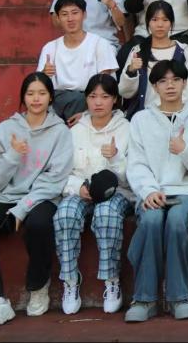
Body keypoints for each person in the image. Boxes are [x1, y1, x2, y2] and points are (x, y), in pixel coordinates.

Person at [0, 72, 73, 327]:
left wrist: (22, 209)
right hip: (4, 194)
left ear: (51, 97)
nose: (36, 99)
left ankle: (38, 286)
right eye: (30, 93)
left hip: (41, 196)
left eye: (42, 93)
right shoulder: (6, 129)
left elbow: (55, 179)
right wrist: (13, 155)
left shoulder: (60, 132)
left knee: (39, 224)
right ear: (23, 98)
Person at [124, 60, 188, 322]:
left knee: (177, 221)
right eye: (163, 81)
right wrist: (148, 191)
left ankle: (179, 297)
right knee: (151, 220)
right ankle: (145, 299)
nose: (170, 86)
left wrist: (184, 150)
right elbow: (136, 163)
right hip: (152, 190)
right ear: (154, 87)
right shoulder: (141, 119)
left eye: (176, 80)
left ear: (185, 83)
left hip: (187, 189)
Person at [53, 74, 132, 315]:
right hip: (81, 190)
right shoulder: (75, 130)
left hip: (117, 192)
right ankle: (70, 280)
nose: (98, 102)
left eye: (105, 96)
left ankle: (111, 280)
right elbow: (61, 171)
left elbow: (133, 175)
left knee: (106, 213)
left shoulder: (127, 129)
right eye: (92, 96)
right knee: (65, 212)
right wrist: (77, 187)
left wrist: (116, 157)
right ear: (85, 99)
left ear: (115, 99)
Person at [38, 0, 119, 120]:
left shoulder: (100, 44)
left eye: (75, 13)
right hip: (58, 102)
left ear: (84, 15)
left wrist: (86, 114)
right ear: (58, 18)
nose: (70, 19)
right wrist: (44, 74)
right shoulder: (50, 48)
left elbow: (106, 85)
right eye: (64, 14)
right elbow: (39, 86)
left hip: (89, 102)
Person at [119, 0, 188, 115]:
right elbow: (125, 92)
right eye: (154, 20)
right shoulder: (138, 51)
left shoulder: (183, 51)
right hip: (145, 116)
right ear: (147, 23)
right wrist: (131, 71)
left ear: (171, 23)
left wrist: (180, 115)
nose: (160, 25)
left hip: (176, 116)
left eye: (165, 20)